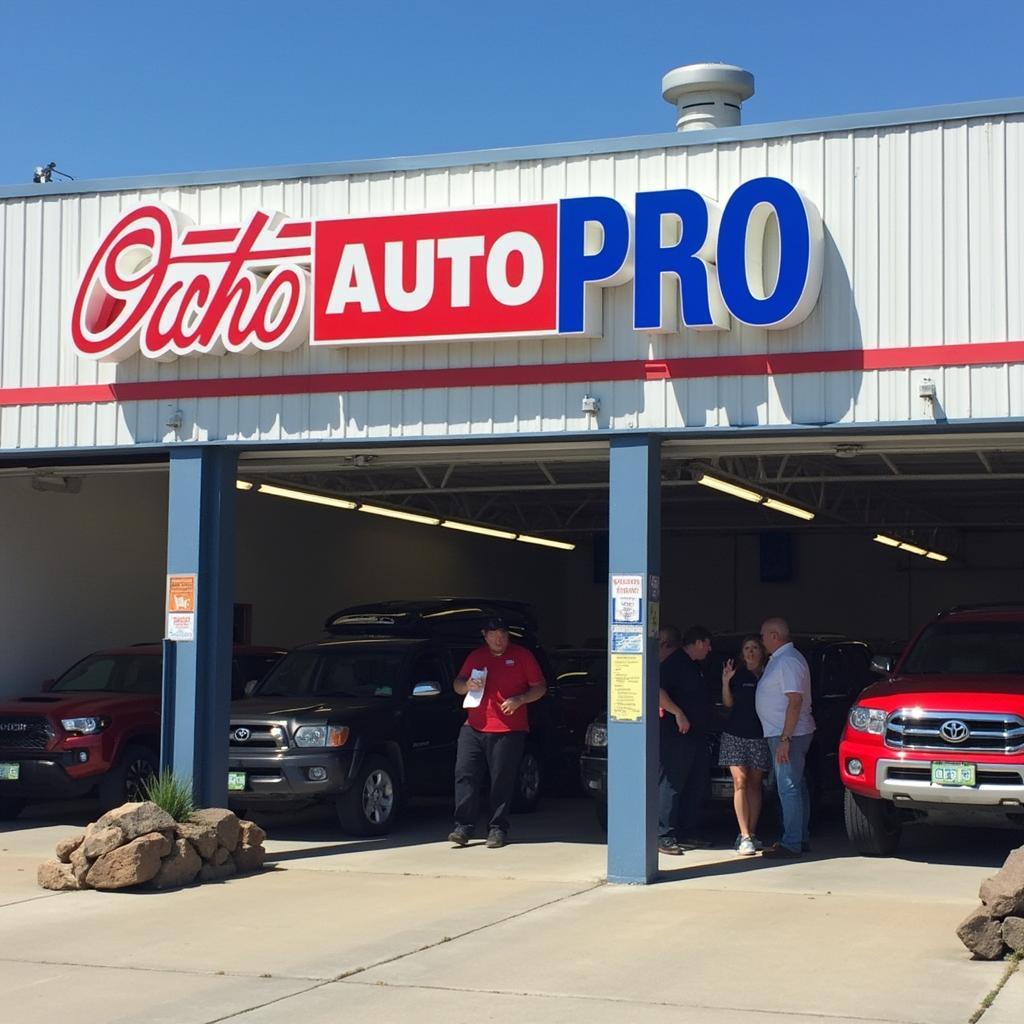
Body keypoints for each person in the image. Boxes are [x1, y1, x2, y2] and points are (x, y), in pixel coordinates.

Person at [449, 616, 547, 849]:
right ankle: (463, 826)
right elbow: (458, 683)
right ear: (485, 635)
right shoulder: (476, 656)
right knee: (465, 774)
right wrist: (466, 686)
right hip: (473, 725)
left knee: (501, 780)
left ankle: (497, 828)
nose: (499, 639)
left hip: (508, 728)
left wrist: (520, 699)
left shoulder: (522, 656)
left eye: (503, 634)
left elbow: (540, 687)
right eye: (493, 634)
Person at [755, 617, 816, 859]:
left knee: (788, 787)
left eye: (762, 635)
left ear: (775, 636)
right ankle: (799, 837)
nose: (761, 640)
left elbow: (795, 700)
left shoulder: (788, 662)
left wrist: (785, 738)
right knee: (796, 785)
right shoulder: (781, 659)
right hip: (786, 733)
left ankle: (792, 842)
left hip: (789, 734)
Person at [657, 624, 714, 856]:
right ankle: (664, 835)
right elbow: (657, 691)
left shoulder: (695, 666)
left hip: (696, 736)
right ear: (698, 642)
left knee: (695, 784)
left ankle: (688, 832)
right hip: (676, 736)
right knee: (672, 783)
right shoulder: (674, 663)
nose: (709, 649)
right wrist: (678, 712)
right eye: (708, 644)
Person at [720, 635, 771, 857]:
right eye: (747, 649)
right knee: (739, 781)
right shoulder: (736, 674)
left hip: (760, 735)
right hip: (734, 735)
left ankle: (752, 832)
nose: (750, 652)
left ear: (762, 652)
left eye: (755, 648)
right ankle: (745, 836)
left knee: (754, 784)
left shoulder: (769, 674)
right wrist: (725, 682)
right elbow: (728, 703)